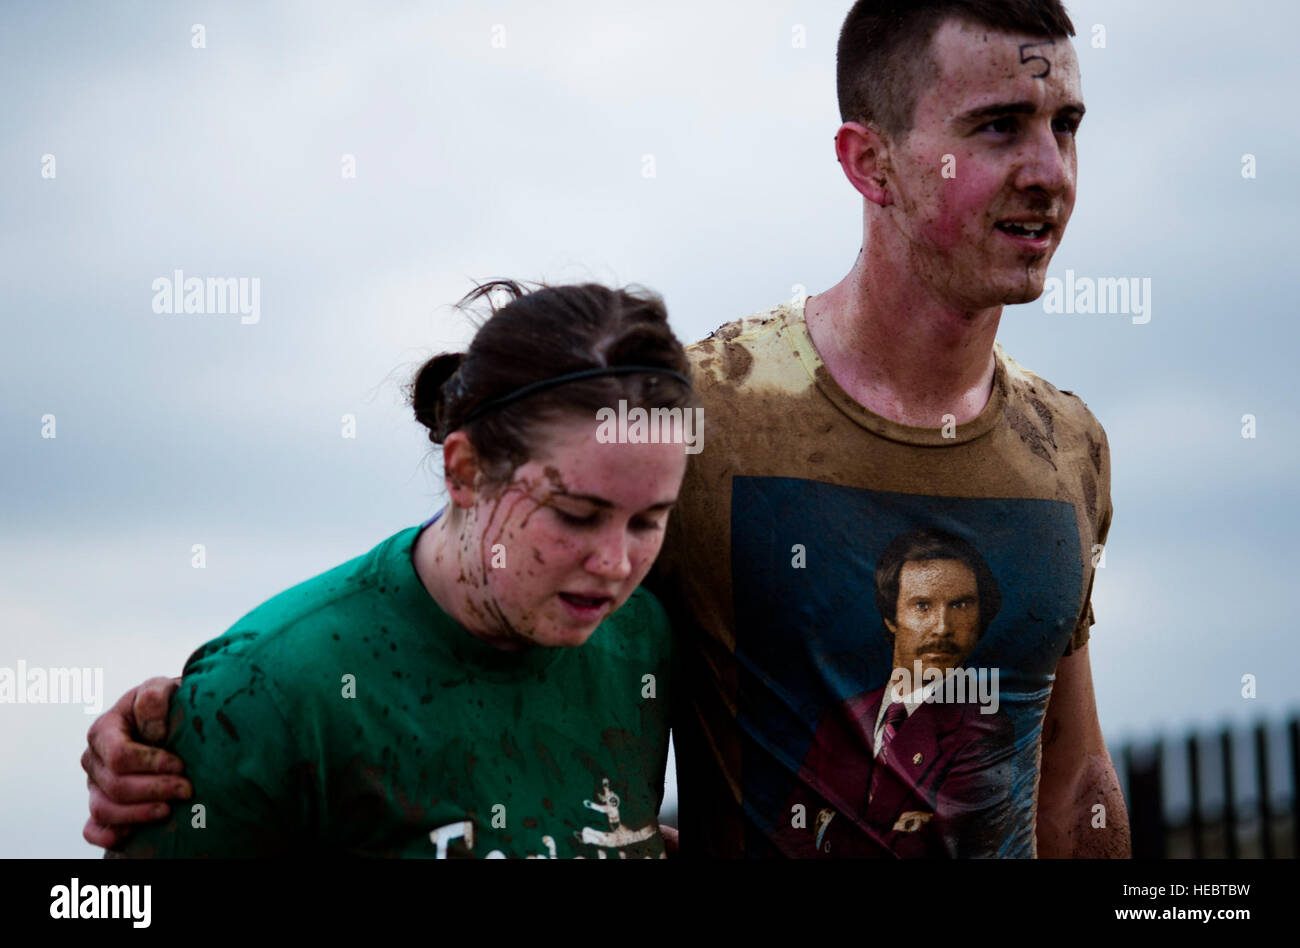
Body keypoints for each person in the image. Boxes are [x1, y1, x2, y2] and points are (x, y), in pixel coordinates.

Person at [84, 0, 1131, 859]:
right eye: (997, 127)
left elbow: (1072, 776)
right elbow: (483, 573)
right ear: (870, 162)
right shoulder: (710, 414)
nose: (1048, 169)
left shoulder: (1066, 446)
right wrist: (216, 718)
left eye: (1067, 125)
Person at [91, 280, 695, 858]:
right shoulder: (264, 692)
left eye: (647, 522)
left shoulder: (645, 640)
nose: (615, 564)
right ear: (464, 471)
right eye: (575, 514)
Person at [773, 529, 1014, 858]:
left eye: (960, 605)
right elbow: (788, 836)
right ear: (890, 616)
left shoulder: (985, 726)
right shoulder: (842, 716)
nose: (942, 626)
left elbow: (926, 851)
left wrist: (829, 827)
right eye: (923, 605)